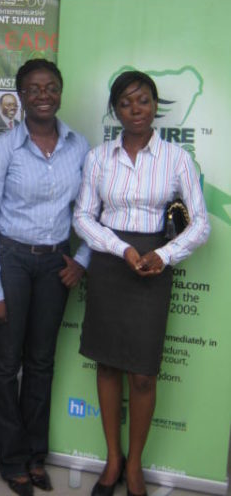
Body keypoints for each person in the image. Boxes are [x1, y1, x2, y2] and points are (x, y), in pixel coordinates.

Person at [72, 70, 210, 496]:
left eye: (144, 100)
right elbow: (82, 217)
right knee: (108, 364)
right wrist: (120, 249)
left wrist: (162, 255)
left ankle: (136, 466)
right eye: (127, 102)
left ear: (155, 106)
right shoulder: (98, 158)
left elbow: (201, 224)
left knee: (144, 375)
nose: (136, 109)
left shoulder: (177, 159)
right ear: (115, 110)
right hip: (112, 264)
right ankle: (113, 461)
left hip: (153, 267)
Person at [0, 58, 90, 496]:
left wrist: (83, 258)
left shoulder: (79, 146)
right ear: (19, 96)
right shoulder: (3, 148)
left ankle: (36, 455)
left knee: (41, 363)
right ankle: (12, 459)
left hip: (55, 265)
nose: (43, 95)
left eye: (51, 87)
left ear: (60, 92)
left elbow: (93, 211)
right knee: (6, 366)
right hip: (11, 260)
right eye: (34, 88)